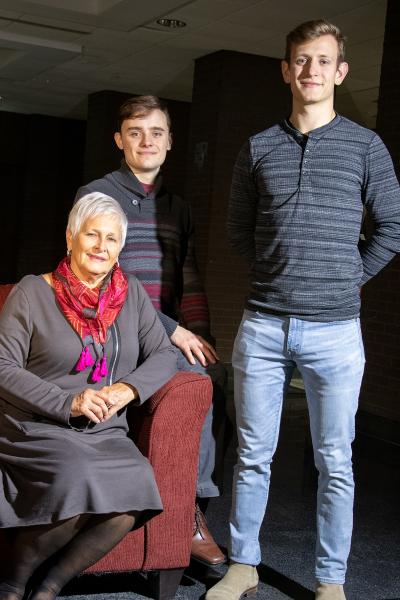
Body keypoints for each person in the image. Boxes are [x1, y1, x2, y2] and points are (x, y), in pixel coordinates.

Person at [206, 18, 400, 600]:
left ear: (340, 71)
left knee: (335, 461)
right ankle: (244, 565)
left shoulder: (366, 147)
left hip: (336, 330)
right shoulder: (258, 146)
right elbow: (240, 230)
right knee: (251, 456)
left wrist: (349, 278)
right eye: (301, 61)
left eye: (323, 61)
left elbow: (392, 227)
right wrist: (275, 270)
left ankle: (331, 579)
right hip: (263, 325)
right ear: (286, 71)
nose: (311, 70)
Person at [0, 193, 177, 600]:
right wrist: (70, 402)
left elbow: (165, 354)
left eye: (111, 239)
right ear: (70, 237)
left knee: (135, 486)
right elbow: (4, 368)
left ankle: (49, 587)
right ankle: (12, 584)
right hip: (38, 425)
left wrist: (129, 389)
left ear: (121, 247)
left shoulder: (129, 294)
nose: (101, 247)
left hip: (104, 431)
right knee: (76, 477)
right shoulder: (31, 293)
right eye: (91, 235)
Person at [75, 95, 227, 566]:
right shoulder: (98, 194)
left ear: (170, 143)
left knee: (217, 380)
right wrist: (174, 331)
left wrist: (201, 335)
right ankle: (187, 519)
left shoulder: (175, 207)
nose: (147, 141)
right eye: (136, 132)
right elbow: (103, 276)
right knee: (192, 380)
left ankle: (192, 505)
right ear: (119, 140)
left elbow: (189, 276)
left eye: (156, 132)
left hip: (169, 333)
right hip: (116, 328)